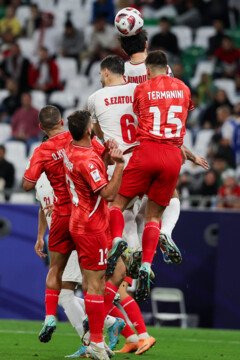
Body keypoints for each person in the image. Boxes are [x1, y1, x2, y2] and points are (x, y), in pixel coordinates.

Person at [23, 106, 125, 353]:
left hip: (60, 214)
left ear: (40, 128)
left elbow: (27, 185)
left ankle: (50, 317)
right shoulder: (75, 140)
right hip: (86, 215)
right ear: (61, 121)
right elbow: (103, 159)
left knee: (57, 270)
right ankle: (99, 333)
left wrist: (41, 170)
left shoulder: (43, 150)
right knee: (96, 279)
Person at [108, 50, 194, 302]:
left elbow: (138, 113)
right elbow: (186, 108)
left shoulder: (142, 88)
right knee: (154, 216)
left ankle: (117, 242)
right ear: (168, 67)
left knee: (119, 202)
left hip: (147, 150)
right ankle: (146, 265)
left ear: (147, 69)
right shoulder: (184, 88)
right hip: (172, 156)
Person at [88, 54, 156, 355]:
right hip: (144, 168)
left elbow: (97, 138)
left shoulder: (96, 98)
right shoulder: (136, 91)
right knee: (120, 272)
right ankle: (135, 334)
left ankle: (110, 336)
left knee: (109, 275)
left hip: (120, 174)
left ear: (105, 72)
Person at [63, 110, 125, 360]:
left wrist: (107, 151)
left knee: (90, 283)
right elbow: (108, 194)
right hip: (92, 227)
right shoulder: (86, 161)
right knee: (97, 285)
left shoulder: (72, 147)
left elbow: (97, 158)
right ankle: (97, 343)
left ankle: (94, 340)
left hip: (79, 223)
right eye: (93, 125)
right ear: (88, 130)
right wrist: (119, 164)